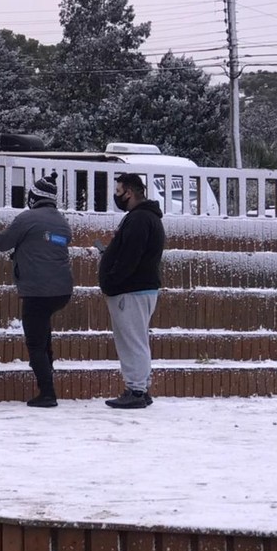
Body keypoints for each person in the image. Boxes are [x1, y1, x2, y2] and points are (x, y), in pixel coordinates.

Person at [0, 171, 73, 408]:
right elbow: (58, 241)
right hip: (62, 291)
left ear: (34, 196)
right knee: (44, 335)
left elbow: (2, 244)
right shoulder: (62, 221)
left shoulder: (27, 218)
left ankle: (48, 393)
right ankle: (47, 383)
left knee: (35, 342)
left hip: (37, 290)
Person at [99, 172, 166, 409]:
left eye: (118, 191)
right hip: (141, 289)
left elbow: (130, 257)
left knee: (131, 341)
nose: (117, 196)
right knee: (137, 340)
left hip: (131, 291)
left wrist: (111, 281)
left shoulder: (138, 219)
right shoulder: (147, 218)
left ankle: (136, 390)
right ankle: (140, 386)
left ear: (129, 192)